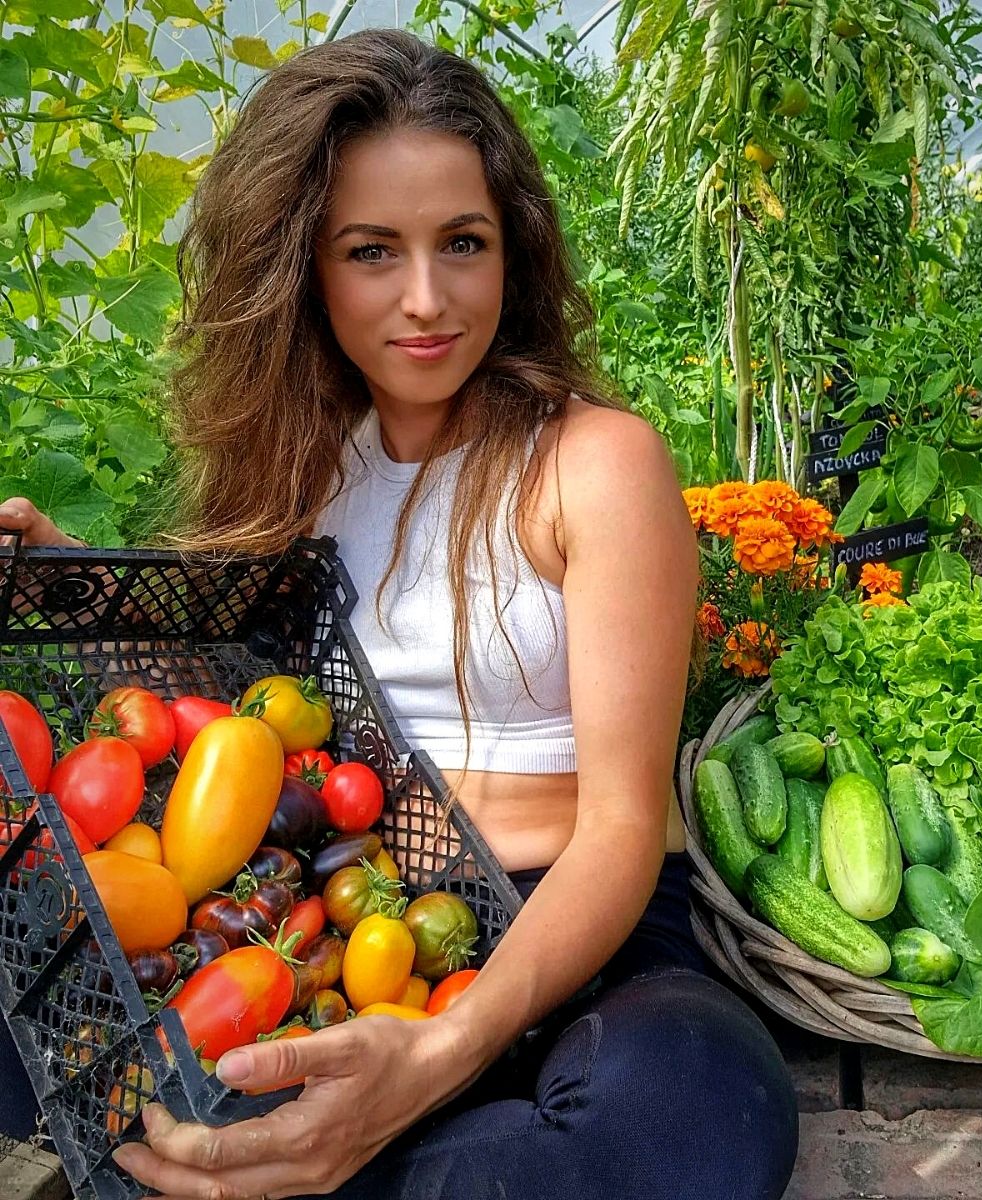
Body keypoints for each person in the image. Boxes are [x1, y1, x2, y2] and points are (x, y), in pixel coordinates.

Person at [0, 28, 799, 1200]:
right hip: (333, 915)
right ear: (304, 268)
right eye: (372, 251)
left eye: (461, 244)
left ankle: (312, 1145)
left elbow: (625, 831)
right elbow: (243, 717)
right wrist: (60, 574)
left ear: (511, 252)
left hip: (570, 939)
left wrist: (438, 1051)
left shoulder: (593, 463)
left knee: (695, 1113)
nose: (426, 300)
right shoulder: (306, 464)